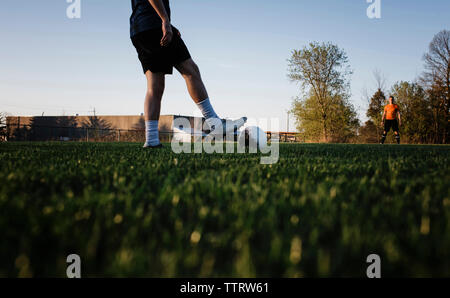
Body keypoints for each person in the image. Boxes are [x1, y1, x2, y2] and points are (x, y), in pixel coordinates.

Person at [130, 0, 247, 148]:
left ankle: (151, 140)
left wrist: (168, 23)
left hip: (139, 29)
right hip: (154, 24)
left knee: (155, 86)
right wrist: (165, 20)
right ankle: (214, 123)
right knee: (190, 70)